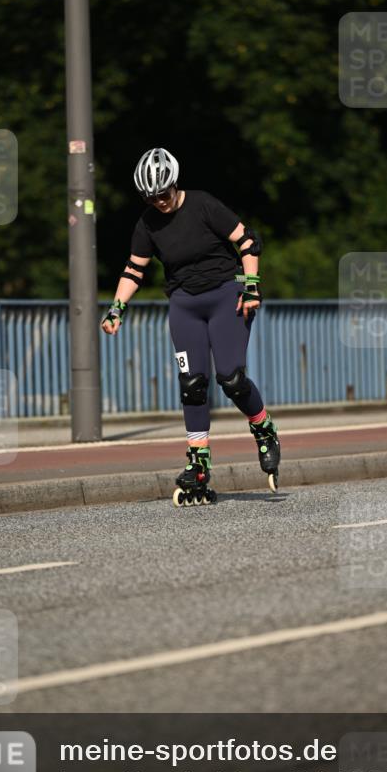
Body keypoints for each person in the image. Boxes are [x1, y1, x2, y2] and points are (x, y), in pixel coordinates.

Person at [101, 147, 280, 506]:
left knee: (231, 378)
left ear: (174, 183)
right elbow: (134, 270)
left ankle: (263, 428)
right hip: (184, 304)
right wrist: (116, 308)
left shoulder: (203, 205)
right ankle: (198, 462)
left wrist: (251, 286)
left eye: (163, 194)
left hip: (226, 297)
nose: (159, 202)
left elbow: (248, 241)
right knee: (193, 385)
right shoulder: (148, 222)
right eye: (151, 197)